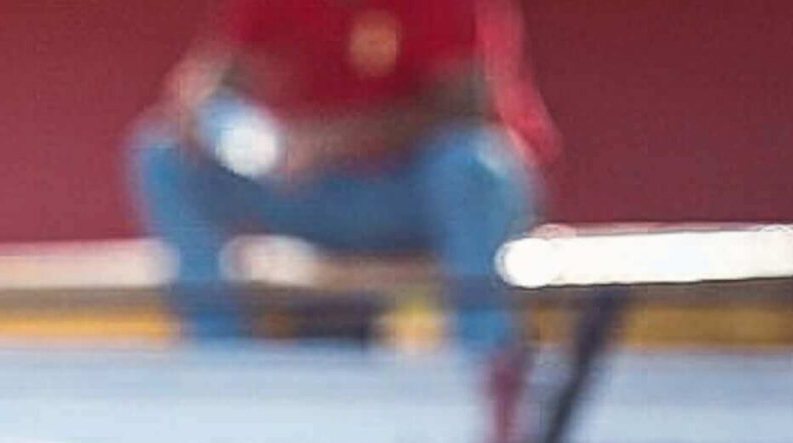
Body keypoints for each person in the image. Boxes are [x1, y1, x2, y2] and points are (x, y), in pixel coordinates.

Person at [128, 0, 556, 352]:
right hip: (315, 193)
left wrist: (331, 141)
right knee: (163, 155)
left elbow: (466, 106)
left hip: (417, 198)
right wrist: (200, 111)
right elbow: (221, 78)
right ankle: (224, 360)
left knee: (473, 163)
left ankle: (489, 367)